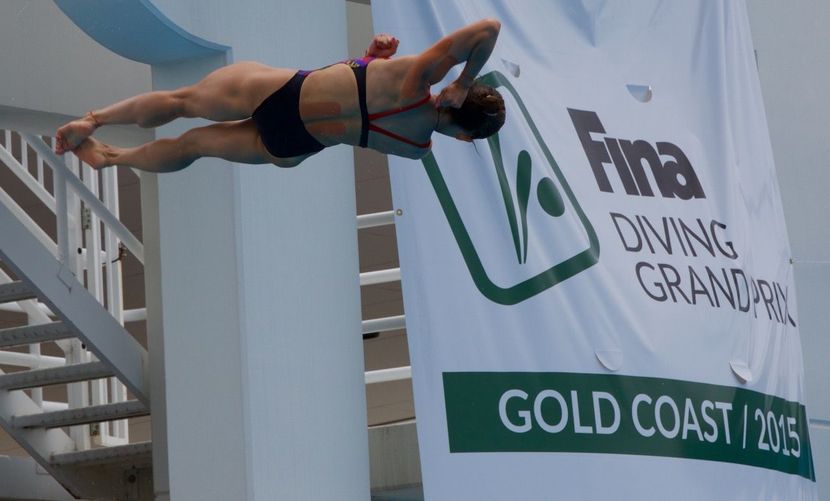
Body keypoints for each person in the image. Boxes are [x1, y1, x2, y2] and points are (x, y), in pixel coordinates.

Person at [54, 18, 505, 171]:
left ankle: (93, 120)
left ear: (459, 95)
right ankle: (110, 157)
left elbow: (488, 29)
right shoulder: (416, 151)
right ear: (465, 139)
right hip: (292, 146)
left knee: (183, 102)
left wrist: (463, 79)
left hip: (284, 93)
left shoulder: (417, 79)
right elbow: (365, 110)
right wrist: (370, 62)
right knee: (192, 148)